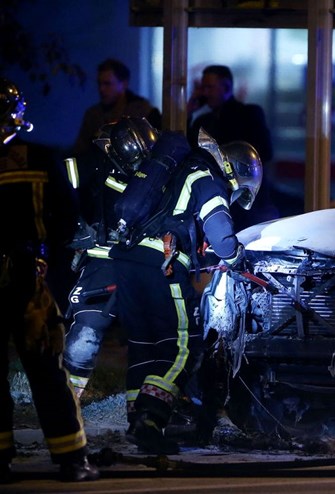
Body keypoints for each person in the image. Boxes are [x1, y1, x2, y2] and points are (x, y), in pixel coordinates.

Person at [109, 126, 261, 454]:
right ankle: (152, 420)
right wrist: (238, 260)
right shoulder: (209, 177)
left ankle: (137, 420)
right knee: (183, 345)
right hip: (159, 264)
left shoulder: (178, 168)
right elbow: (221, 235)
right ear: (234, 171)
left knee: (144, 346)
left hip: (128, 257)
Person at [0, 79, 99, 482]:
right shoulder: (40, 158)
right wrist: (53, 273)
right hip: (30, 281)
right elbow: (67, 217)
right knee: (46, 369)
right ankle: (72, 460)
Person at [63, 117, 159, 397]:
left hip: (145, 262)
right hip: (103, 260)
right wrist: (76, 227)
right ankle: (68, 398)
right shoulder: (86, 166)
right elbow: (63, 201)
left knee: (163, 334)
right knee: (86, 332)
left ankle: (160, 403)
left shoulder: (157, 172)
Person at [187, 64, 276, 227]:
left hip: (244, 201)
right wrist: (188, 111)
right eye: (203, 88)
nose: (205, 93)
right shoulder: (203, 121)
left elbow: (265, 152)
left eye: (210, 87)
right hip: (213, 197)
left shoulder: (248, 114)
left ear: (226, 87)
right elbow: (188, 152)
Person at [73, 58, 161, 157]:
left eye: (107, 84)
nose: (101, 89)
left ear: (123, 84)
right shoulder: (93, 115)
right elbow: (80, 151)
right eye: (99, 83)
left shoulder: (142, 112)